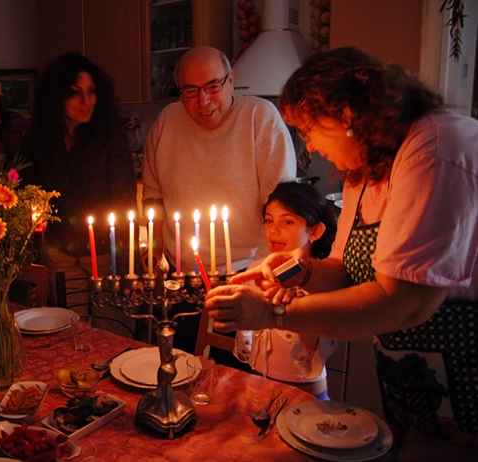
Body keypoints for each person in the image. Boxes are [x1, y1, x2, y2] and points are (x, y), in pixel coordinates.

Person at [206, 47, 478, 454]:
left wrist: (269, 312)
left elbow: (405, 303)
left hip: (467, 368)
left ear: (347, 116)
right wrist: (302, 271)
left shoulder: (435, 148)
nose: (311, 148)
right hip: (411, 373)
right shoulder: (365, 169)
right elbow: (345, 270)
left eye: (310, 130)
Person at [142, 45, 296, 351]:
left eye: (213, 86)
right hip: (179, 276)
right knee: (179, 365)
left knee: (233, 378)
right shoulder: (166, 122)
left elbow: (282, 206)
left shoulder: (260, 118)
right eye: (190, 90)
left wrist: (263, 277)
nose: (203, 101)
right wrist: (154, 258)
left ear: (230, 79)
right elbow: (153, 197)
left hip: (243, 274)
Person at [22, 52, 135, 313]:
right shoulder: (37, 141)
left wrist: (129, 263)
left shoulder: (109, 138)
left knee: (111, 326)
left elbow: (124, 199)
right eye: (75, 93)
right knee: (71, 326)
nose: (86, 101)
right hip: (58, 253)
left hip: (107, 253)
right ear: (57, 96)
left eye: (91, 92)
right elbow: (30, 196)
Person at [234, 182, 337, 399]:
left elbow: (313, 353)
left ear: (316, 231)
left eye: (287, 221)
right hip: (258, 386)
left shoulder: (323, 282)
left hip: (304, 393)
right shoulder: (256, 271)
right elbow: (246, 345)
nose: (273, 230)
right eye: (269, 220)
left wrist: (291, 308)